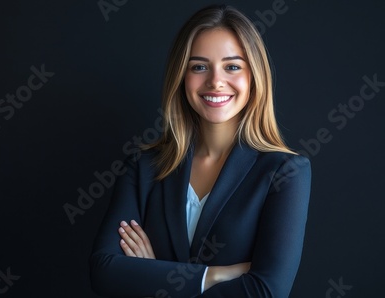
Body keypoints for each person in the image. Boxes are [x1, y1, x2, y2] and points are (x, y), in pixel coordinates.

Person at [90, 4, 311, 297]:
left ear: (254, 76)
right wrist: (214, 275)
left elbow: (266, 290)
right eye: (199, 66)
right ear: (181, 76)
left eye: (232, 66)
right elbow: (105, 273)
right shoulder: (143, 167)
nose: (215, 81)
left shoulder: (285, 173)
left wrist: (152, 276)